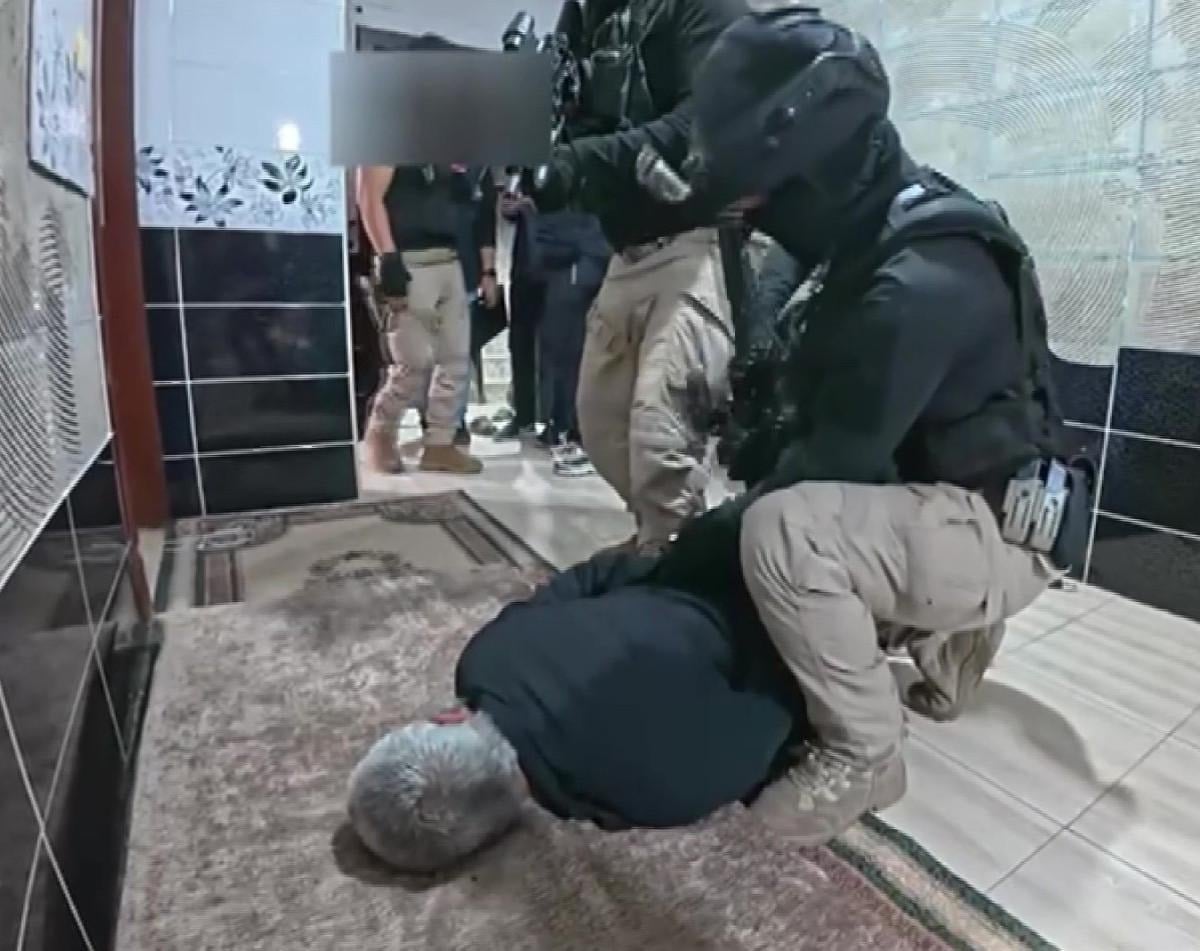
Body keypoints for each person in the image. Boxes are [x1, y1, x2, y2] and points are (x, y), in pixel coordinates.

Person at [647, 8, 1096, 846]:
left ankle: (865, 752)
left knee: (784, 533)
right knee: (784, 523)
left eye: (764, 195)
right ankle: (951, 639)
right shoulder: (884, 213)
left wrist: (691, 550)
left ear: (816, 174)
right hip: (960, 487)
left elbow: (826, 463)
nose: (754, 216)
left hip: (1000, 526)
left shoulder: (916, 282)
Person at [346, 549, 808, 873]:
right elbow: (595, 574)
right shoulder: (488, 656)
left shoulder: (658, 797)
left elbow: (780, 708)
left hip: (805, 615)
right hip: (733, 552)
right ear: (446, 718)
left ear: (498, 825)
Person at [530, 0, 750, 553]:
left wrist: (583, 161)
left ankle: (672, 561)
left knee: (660, 437)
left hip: (701, 239)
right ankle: (671, 542)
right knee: (601, 425)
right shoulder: (585, 16)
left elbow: (705, 119)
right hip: (626, 249)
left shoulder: (704, 8)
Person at [356, 161, 498, 475]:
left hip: (450, 258)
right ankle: (381, 432)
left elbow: (474, 205)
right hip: (409, 261)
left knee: (456, 360)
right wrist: (388, 258)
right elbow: (369, 198)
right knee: (412, 364)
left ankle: (440, 443)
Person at [529, 208, 610, 475]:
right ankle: (568, 429)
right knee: (564, 354)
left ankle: (580, 436)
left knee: (574, 355)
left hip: (580, 257)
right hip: (570, 256)